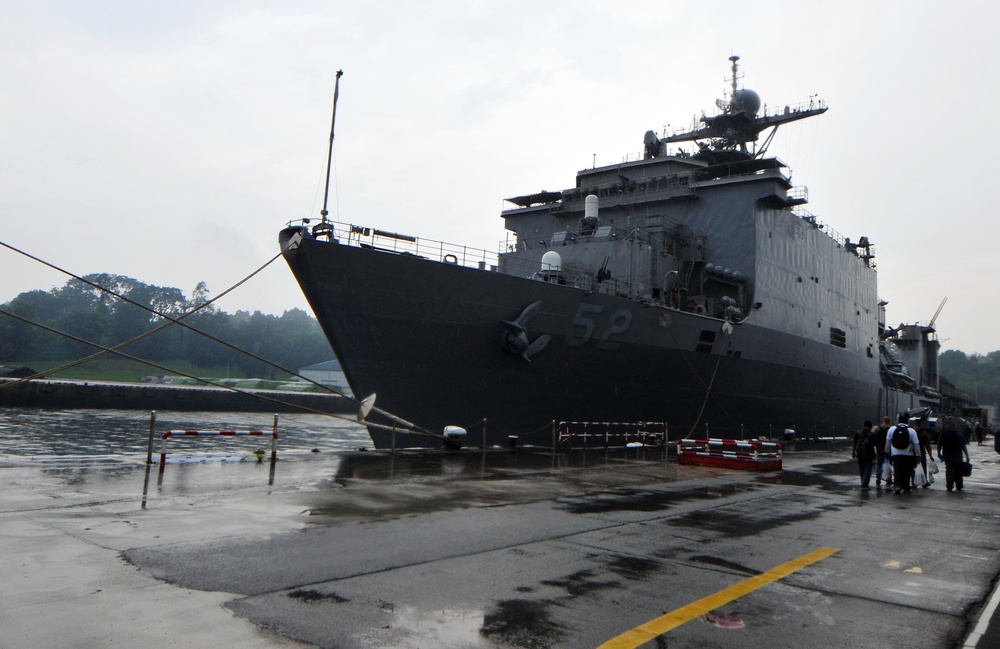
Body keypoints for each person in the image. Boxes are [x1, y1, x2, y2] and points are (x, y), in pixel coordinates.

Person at [884, 414, 919, 495]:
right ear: (907, 421)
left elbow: (888, 442)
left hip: (895, 454)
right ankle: (906, 487)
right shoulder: (911, 431)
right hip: (908, 455)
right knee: (907, 471)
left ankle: (897, 486)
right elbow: (916, 444)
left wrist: (886, 452)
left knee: (897, 470)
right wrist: (918, 456)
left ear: (898, 420)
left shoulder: (892, 429)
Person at [937, 420, 970, 492]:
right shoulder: (959, 435)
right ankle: (959, 486)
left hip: (947, 457)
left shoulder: (943, 435)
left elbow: (939, 444)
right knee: (958, 472)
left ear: (947, 427)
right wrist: (967, 456)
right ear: (954, 427)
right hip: (958, 457)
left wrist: (939, 453)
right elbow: (963, 446)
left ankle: (949, 485)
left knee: (948, 471)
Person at [851, 420, 877, 490]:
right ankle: (864, 485)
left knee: (861, 469)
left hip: (860, 454)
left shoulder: (858, 433)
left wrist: (853, 452)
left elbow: (854, 443)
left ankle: (863, 482)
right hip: (869, 455)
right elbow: (875, 444)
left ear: (864, 425)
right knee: (868, 470)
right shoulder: (872, 435)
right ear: (871, 427)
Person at [874, 416, 891, 487]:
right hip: (888, 450)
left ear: (883, 421)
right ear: (889, 422)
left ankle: (878, 477)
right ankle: (888, 479)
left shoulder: (877, 429)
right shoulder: (890, 429)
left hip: (879, 449)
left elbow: (874, 438)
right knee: (888, 464)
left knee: (879, 464)